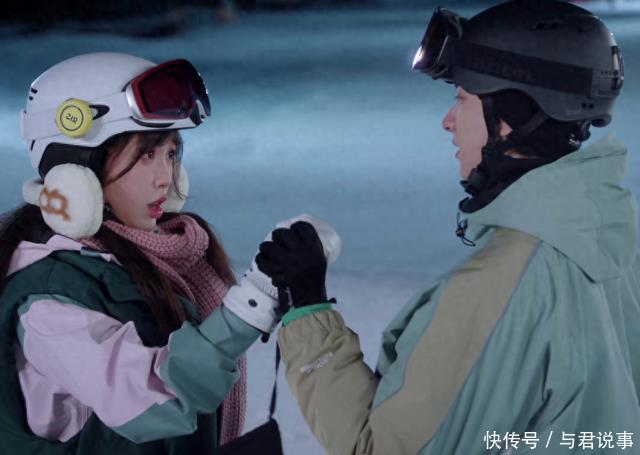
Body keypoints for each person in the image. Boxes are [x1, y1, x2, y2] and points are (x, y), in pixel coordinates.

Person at [256, 1, 639, 454]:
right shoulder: (615, 238)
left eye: (462, 100)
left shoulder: (497, 286)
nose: (448, 121)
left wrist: (307, 306)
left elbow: (378, 449)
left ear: (509, 118)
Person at [0, 52, 285, 454]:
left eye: (170, 154)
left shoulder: (146, 260)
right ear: (78, 167)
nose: (165, 178)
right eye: (146, 155)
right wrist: (248, 309)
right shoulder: (48, 301)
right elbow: (153, 402)